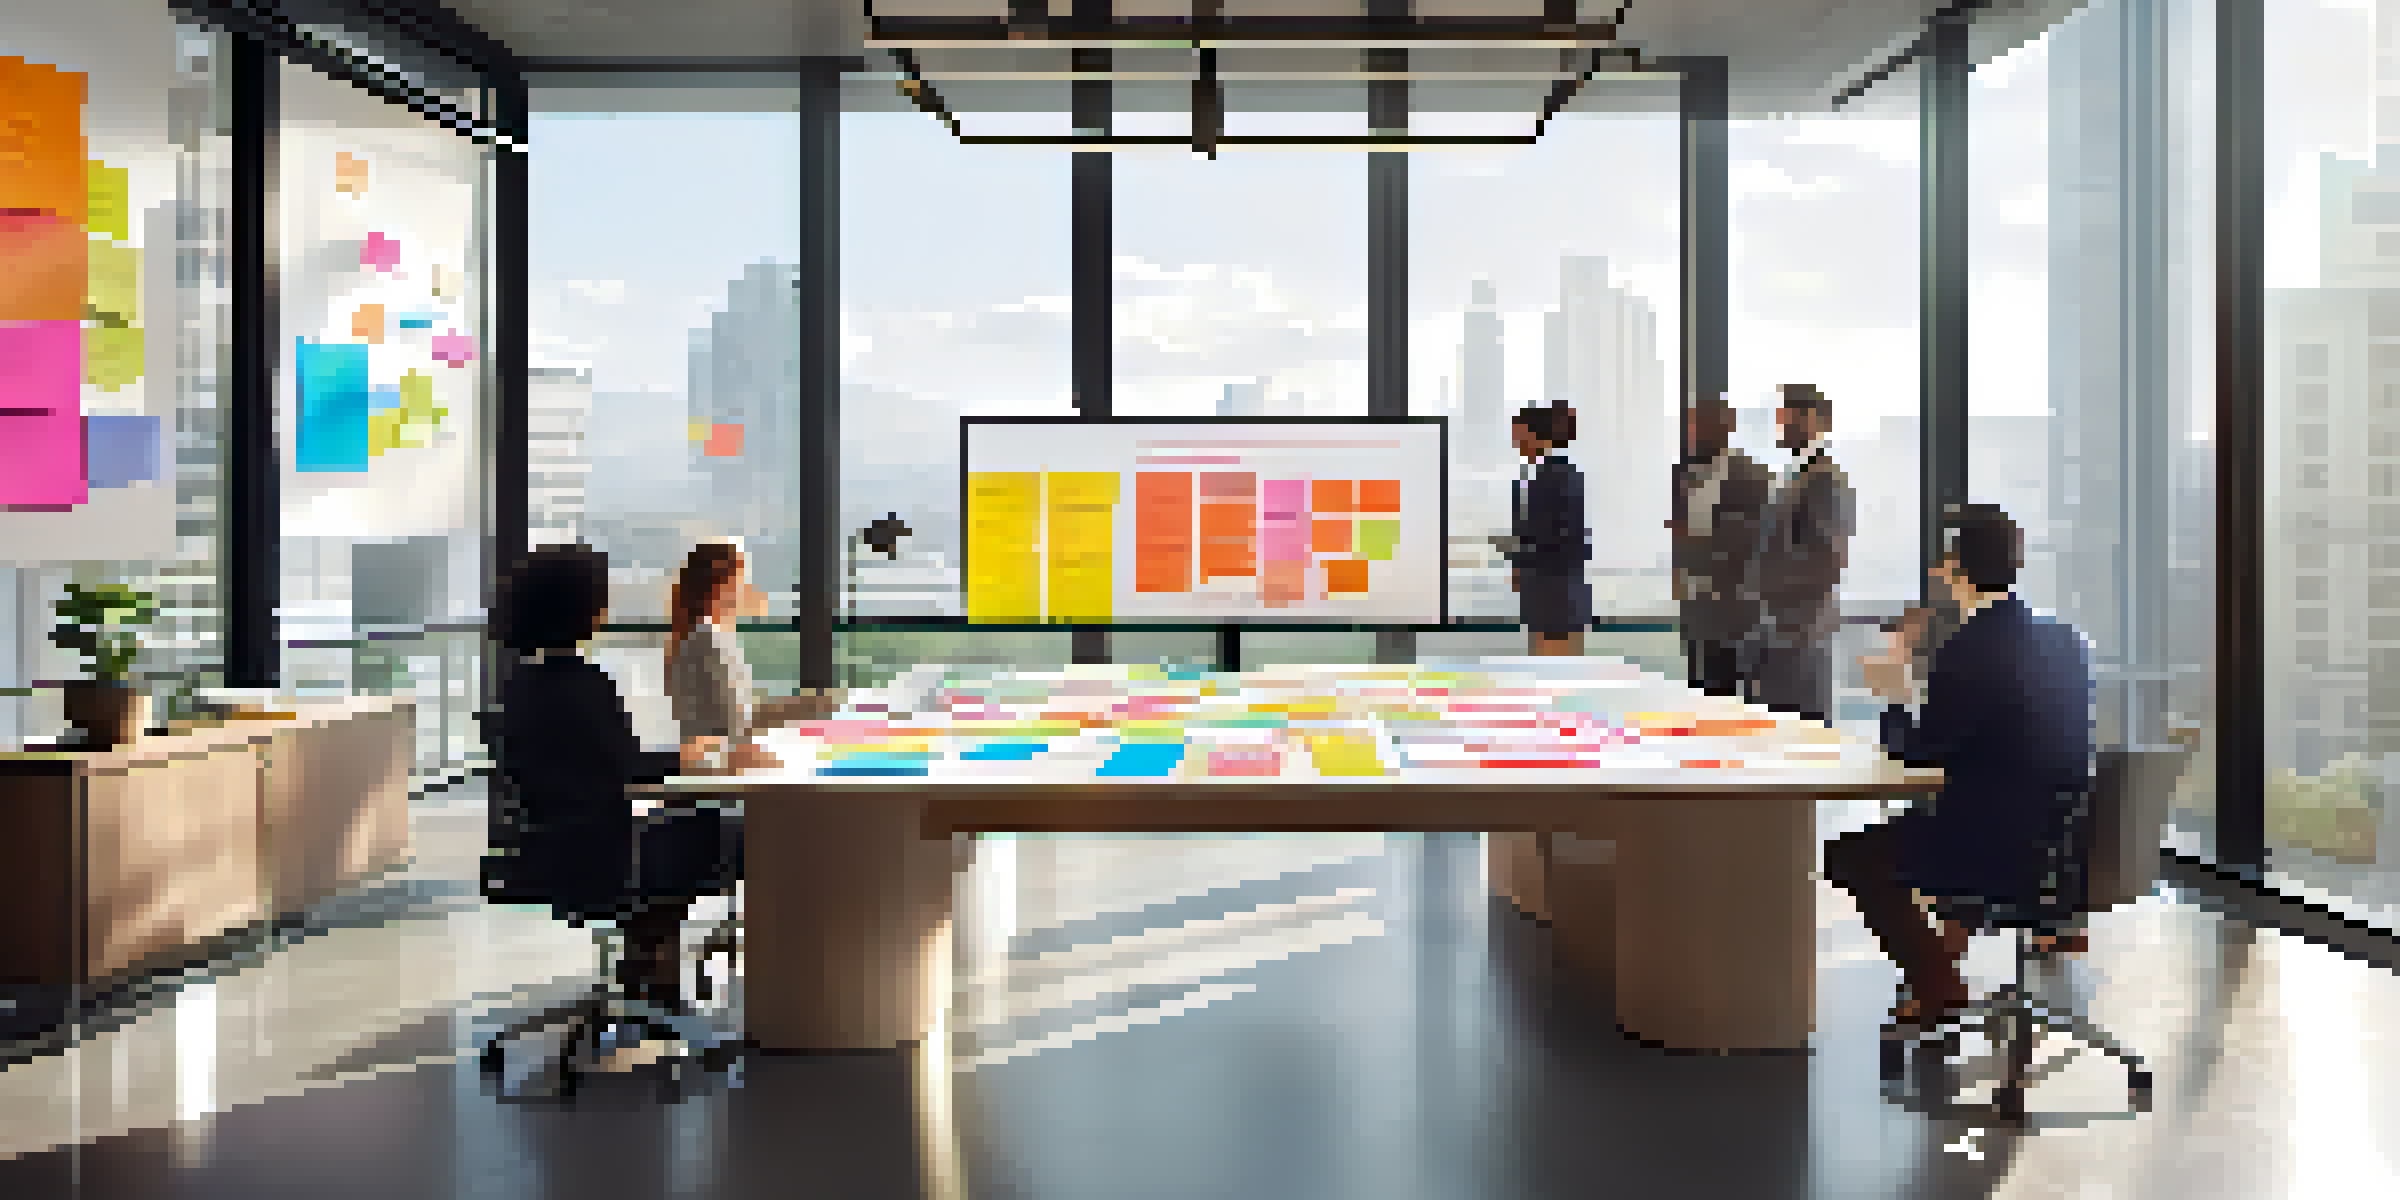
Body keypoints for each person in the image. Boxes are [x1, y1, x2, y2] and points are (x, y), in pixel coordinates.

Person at [1823, 504, 2096, 1028]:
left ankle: (1938, 983)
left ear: (1956, 570)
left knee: (1852, 856)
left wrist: (1895, 693)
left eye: (1945, 560)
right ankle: (1937, 968)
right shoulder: (2066, 641)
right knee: (1961, 820)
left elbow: (1917, 751)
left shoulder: (1969, 648)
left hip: (1998, 847)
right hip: (2067, 843)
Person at [483, 543, 745, 1014]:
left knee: (680, 830)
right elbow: (628, 768)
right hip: (606, 855)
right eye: (601, 596)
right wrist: (694, 757)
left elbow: (599, 768)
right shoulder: (583, 681)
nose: (606, 606)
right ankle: (654, 960)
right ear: (582, 609)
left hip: (556, 852)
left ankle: (650, 960)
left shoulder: (520, 685)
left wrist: (677, 758)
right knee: (747, 834)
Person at [1745, 383, 1855, 723]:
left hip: (1801, 632)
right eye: (1782, 414)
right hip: (1779, 629)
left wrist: (1768, 585)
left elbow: (1831, 563)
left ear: (1821, 422)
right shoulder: (1796, 474)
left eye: (1793, 415)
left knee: (1801, 741)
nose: (1783, 423)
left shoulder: (1826, 480)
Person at [1669, 392, 1774, 697]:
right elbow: (1679, 532)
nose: (1695, 433)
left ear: (1727, 426)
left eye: (1703, 425)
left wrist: (1697, 545)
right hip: (1695, 607)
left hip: (1735, 609)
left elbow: (1751, 541)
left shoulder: (1753, 476)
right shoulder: (1684, 474)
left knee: (1729, 695)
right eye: (1692, 426)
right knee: (1698, 691)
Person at [1506, 401, 1591, 656]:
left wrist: (1521, 553)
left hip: (1557, 593)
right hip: (1546, 591)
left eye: (1519, 436)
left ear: (1535, 435)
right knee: (1546, 668)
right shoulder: (1534, 476)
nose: (1516, 443)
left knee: (1557, 671)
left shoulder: (1559, 476)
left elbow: (1562, 538)